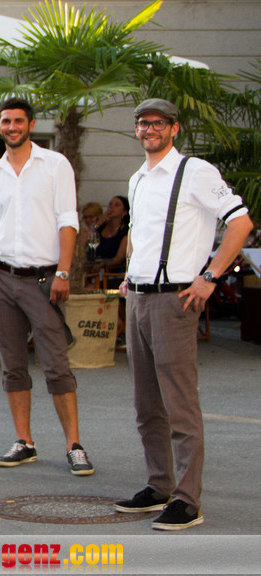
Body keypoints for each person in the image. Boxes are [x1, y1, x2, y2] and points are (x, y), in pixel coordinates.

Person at [114, 98, 252, 530]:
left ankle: (188, 500)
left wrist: (210, 277)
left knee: (179, 403)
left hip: (174, 299)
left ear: (174, 129)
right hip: (139, 296)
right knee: (146, 404)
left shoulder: (195, 171)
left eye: (158, 123)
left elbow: (241, 223)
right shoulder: (138, 177)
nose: (149, 129)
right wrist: (130, 274)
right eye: (142, 123)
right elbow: (139, 232)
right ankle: (159, 485)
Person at [0, 97, 94, 477]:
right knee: (12, 366)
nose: (12, 127)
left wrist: (63, 272)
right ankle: (24, 442)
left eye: (18, 121)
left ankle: (74, 445)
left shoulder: (55, 165)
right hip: (3, 280)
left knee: (56, 365)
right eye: (6, 121)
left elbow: (68, 220)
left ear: (31, 125)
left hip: (44, 280)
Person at [92, 196, 130, 269]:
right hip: (93, 268)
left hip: (113, 272)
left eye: (116, 205)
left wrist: (104, 265)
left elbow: (119, 258)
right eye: (110, 204)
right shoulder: (100, 227)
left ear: (124, 212)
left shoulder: (125, 231)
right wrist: (97, 224)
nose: (111, 207)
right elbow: (85, 239)